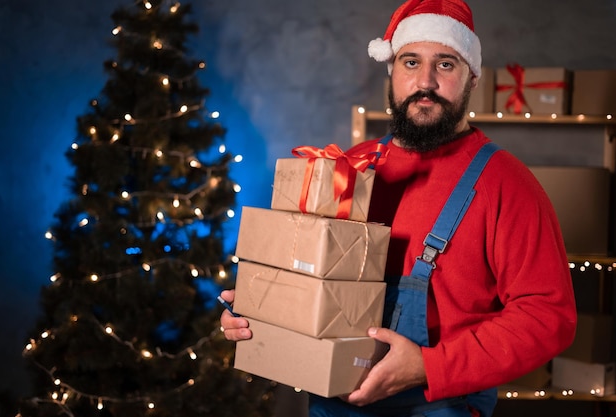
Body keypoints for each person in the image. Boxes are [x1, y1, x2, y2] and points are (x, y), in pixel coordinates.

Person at [220, 0, 577, 416]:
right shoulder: (348, 170)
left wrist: (428, 367)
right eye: (411, 62)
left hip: (439, 405)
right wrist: (254, 308)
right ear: (392, 71)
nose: (425, 81)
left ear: (472, 77)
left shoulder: (508, 185)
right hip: (332, 405)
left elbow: (548, 317)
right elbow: (305, 271)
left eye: (445, 64)